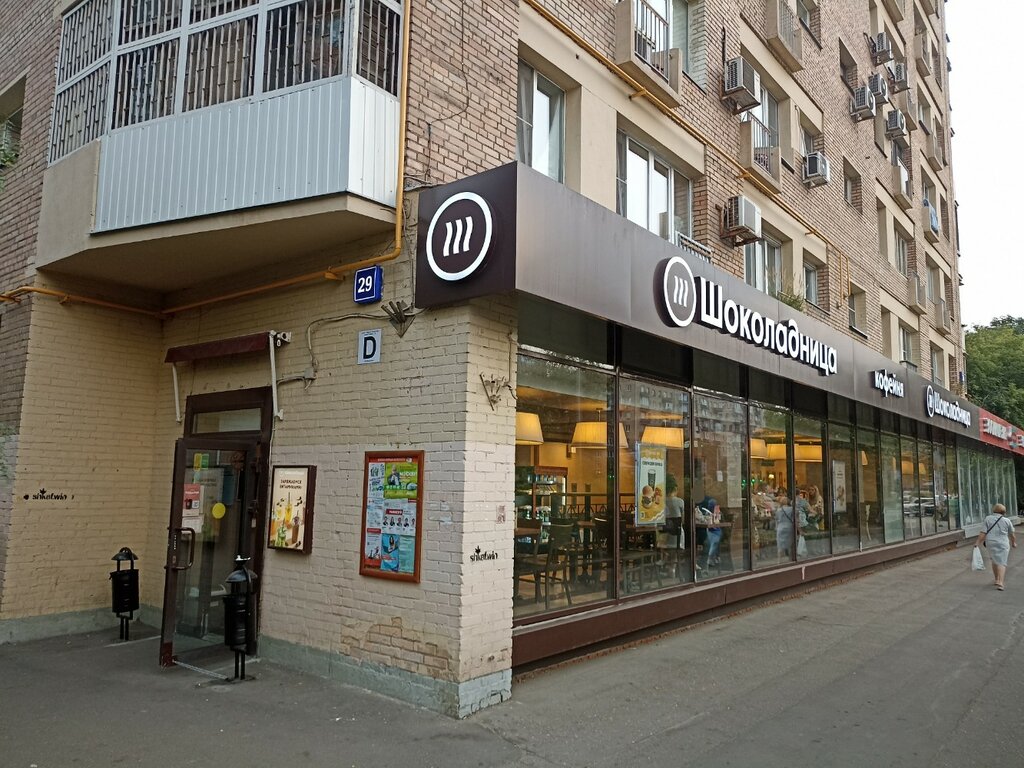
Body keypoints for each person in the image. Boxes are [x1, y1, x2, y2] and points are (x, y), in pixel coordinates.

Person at [976, 503, 1017, 590]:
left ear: (994, 510)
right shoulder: (1007, 521)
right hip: (1003, 543)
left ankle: (996, 579)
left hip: (991, 543)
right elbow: (1012, 534)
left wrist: (977, 542)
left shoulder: (988, 518)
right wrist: (1013, 543)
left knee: (994, 560)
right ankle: (1001, 583)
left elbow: (983, 532)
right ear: (1004, 512)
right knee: (1002, 562)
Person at [774, 493, 807, 559]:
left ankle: (779, 560)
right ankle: (791, 559)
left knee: (780, 546)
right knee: (791, 545)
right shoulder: (792, 509)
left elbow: (776, 520)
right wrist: (800, 531)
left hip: (780, 528)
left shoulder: (778, 510)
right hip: (789, 528)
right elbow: (796, 521)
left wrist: (776, 528)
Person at [696, 495, 722, 568]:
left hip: (711, 531)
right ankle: (712, 558)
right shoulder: (706, 505)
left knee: (708, 538)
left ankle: (709, 558)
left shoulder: (705, 504)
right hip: (711, 531)